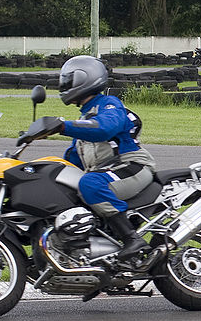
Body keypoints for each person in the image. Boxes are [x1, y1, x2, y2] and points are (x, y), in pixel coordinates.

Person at [57, 55, 156, 264]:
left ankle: (132, 239)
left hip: (132, 165)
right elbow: (71, 160)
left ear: (85, 78)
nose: (64, 85)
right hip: (106, 171)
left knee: (90, 183)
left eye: (68, 80)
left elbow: (104, 128)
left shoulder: (109, 104)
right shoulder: (84, 119)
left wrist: (61, 126)